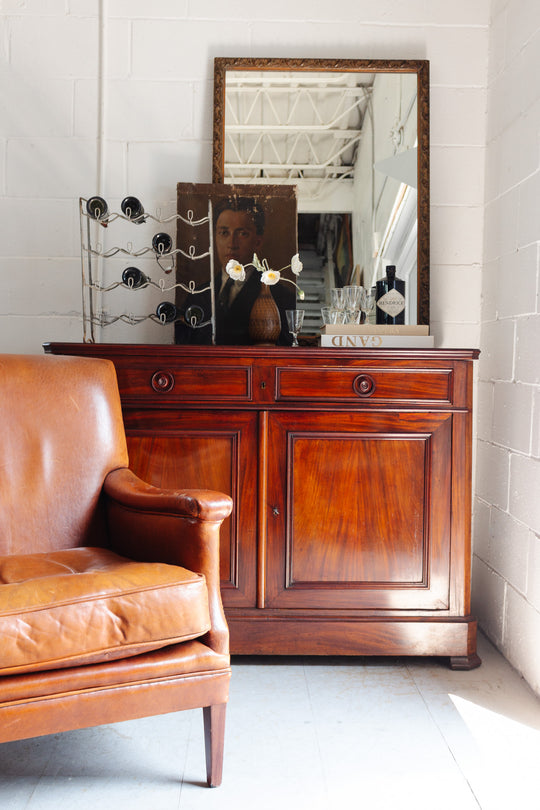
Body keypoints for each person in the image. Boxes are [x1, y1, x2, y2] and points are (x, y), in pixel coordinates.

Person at [176, 196, 293, 345]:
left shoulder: (280, 297)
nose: (232, 243)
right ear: (215, 239)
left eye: (242, 233)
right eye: (224, 233)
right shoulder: (198, 295)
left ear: (258, 242)